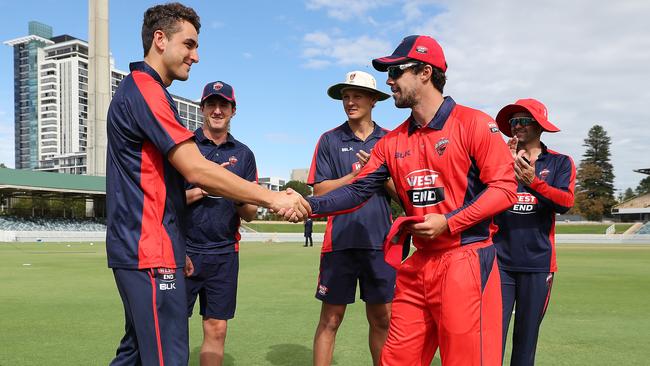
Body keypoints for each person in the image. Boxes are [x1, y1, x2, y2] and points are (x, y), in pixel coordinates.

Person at [105, 4, 309, 366]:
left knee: (135, 355)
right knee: (168, 357)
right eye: (189, 44)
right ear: (160, 40)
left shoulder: (146, 90)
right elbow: (196, 169)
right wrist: (274, 197)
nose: (195, 56)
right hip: (148, 249)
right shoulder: (145, 90)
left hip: (155, 247)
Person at [302, 35, 518, 365]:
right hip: (418, 263)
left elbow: (504, 189)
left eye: (396, 72)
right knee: (397, 359)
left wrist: (449, 221)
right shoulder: (392, 141)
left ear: (425, 72)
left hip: (467, 260)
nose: (389, 81)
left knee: (466, 359)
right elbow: (359, 189)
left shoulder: (474, 123)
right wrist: (309, 205)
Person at [307, 70, 395, 366]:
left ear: (373, 100)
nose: (350, 101)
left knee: (382, 319)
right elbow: (319, 190)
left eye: (357, 95)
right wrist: (355, 176)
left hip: (380, 242)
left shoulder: (390, 140)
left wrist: (378, 173)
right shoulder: (329, 140)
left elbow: (402, 193)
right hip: (340, 242)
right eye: (346, 96)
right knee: (331, 319)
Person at [493, 98, 576, 366]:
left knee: (526, 341)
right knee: (491, 338)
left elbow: (565, 203)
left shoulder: (561, 162)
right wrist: (501, 164)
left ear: (539, 126)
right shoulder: (496, 159)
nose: (517, 126)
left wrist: (534, 182)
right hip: (499, 262)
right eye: (514, 121)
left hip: (538, 264)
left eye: (524, 121)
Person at [184, 81, 258, 366]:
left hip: (225, 253)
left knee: (217, 328)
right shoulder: (184, 146)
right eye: (211, 105)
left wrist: (233, 190)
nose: (217, 110)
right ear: (202, 108)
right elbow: (167, 200)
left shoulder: (244, 154)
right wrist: (207, 184)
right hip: (184, 251)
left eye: (223, 105)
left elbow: (250, 212)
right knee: (173, 327)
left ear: (233, 111)